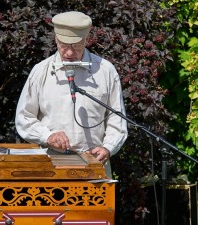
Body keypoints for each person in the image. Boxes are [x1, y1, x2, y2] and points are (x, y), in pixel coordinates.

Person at [15, 11, 128, 178]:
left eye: (75, 46)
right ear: (55, 39)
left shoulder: (105, 71)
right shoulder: (41, 71)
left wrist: (108, 148)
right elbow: (24, 118)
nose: (69, 53)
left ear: (86, 40)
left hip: (94, 164)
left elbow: (117, 119)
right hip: (50, 165)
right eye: (63, 45)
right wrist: (48, 136)